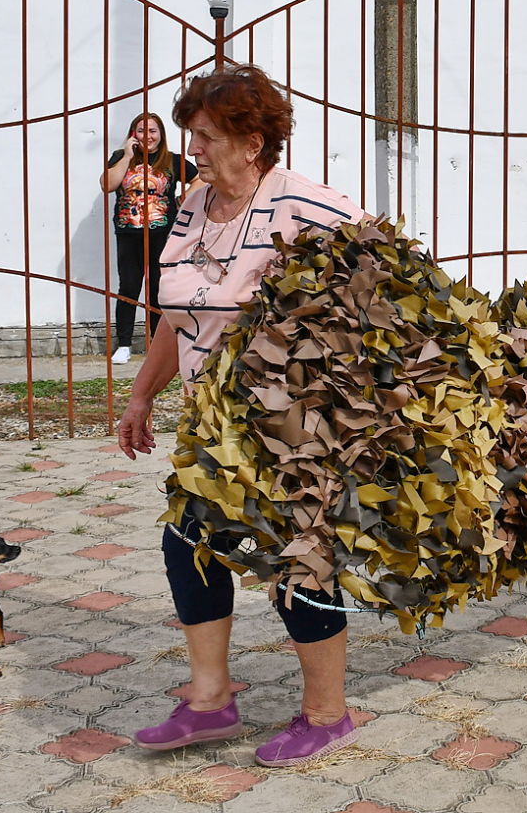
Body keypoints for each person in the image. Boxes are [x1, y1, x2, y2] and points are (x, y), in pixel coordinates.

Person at [114, 65, 367, 768]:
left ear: (251, 142)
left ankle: (327, 714)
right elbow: (176, 314)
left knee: (298, 561)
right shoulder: (194, 205)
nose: (191, 147)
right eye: (192, 134)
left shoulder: (306, 207)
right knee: (187, 542)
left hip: (290, 427)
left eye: (204, 136)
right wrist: (142, 395)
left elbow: (387, 281)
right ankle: (209, 701)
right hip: (212, 425)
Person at [100, 112, 198, 365]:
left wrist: (183, 200)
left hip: (162, 233)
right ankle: (123, 344)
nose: (148, 136)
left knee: (158, 288)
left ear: (161, 135)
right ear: (134, 134)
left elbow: (201, 178)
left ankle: (156, 343)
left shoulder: (172, 160)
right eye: (142, 130)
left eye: (153, 131)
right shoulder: (121, 158)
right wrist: (127, 155)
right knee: (129, 288)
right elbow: (107, 185)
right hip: (128, 232)